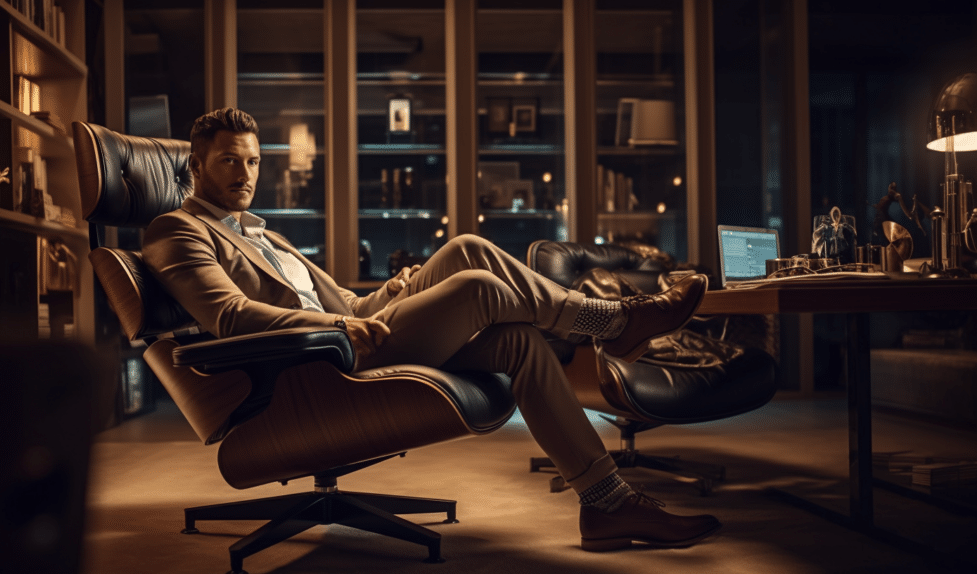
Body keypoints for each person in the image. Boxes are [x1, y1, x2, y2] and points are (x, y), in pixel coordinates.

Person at [143, 107, 720, 551]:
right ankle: (614, 322)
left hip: (349, 328)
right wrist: (339, 320)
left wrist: (387, 294)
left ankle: (605, 501)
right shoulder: (177, 230)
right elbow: (232, 316)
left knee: (486, 281)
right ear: (195, 166)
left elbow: (349, 300)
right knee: (479, 289)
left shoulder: (264, 234)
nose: (245, 174)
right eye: (228, 162)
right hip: (317, 361)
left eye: (252, 161)